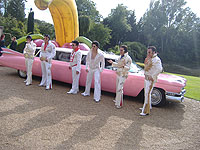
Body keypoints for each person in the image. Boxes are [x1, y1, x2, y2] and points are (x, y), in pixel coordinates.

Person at [140, 46, 163, 116]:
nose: (148, 53)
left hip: (150, 79)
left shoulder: (156, 59)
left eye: (149, 52)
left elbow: (160, 69)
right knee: (146, 94)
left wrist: (153, 76)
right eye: (147, 52)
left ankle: (146, 110)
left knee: (147, 94)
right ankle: (148, 107)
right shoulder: (150, 59)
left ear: (153, 52)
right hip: (146, 78)